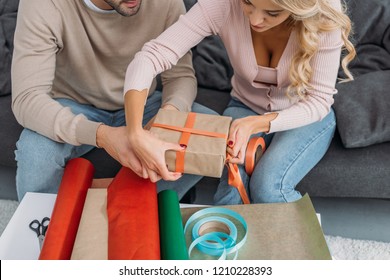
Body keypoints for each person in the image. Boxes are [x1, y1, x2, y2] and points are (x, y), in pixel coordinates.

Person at [123, 0, 356, 204]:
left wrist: (256, 124)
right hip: (244, 106)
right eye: (247, 2)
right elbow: (151, 56)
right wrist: (134, 131)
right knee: (231, 197)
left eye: (272, 13)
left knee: (268, 189)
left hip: (305, 115)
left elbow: (318, 101)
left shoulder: (324, 12)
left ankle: (307, 251)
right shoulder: (222, 4)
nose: (255, 19)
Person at [11, 0, 215, 201]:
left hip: (145, 104)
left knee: (211, 136)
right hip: (73, 104)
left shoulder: (166, 3)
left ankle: (132, 206)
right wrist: (103, 135)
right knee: (35, 153)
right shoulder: (44, 4)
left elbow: (180, 76)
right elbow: (27, 98)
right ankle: (45, 230)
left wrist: (167, 118)